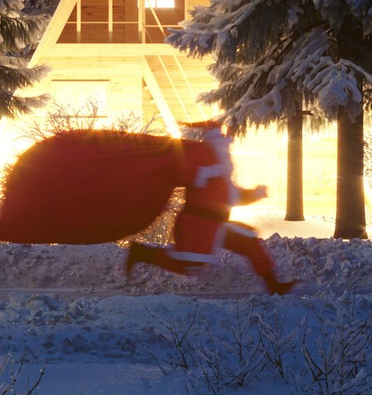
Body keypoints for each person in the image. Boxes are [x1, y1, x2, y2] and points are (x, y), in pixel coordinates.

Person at [124, 121, 296, 294]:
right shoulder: (203, 155)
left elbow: (230, 196)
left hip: (217, 223)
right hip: (198, 224)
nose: (224, 137)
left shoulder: (221, 162)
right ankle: (141, 252)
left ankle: (273, 285)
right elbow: (185, 173)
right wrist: (207, 172)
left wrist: (254, 194)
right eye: (220, 134)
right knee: (190, 266)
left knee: (248, 240)